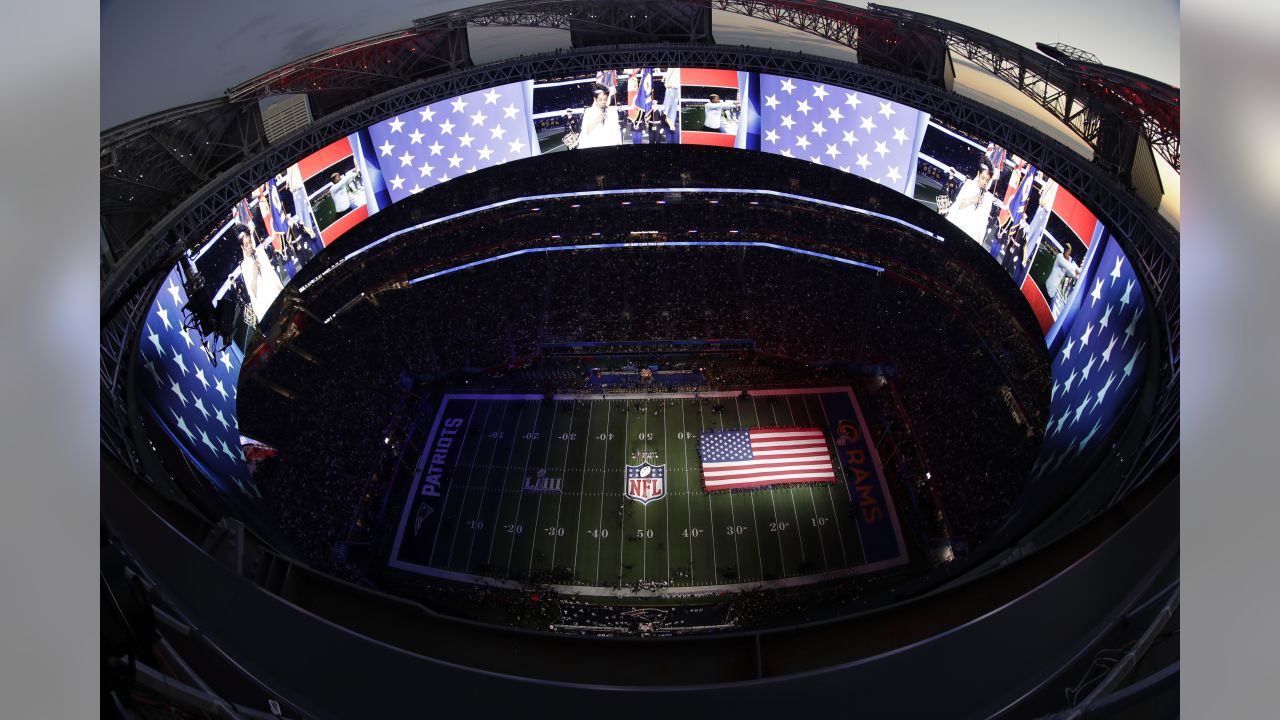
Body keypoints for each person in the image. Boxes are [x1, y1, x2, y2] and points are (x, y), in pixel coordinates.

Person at [942, 158, 995, 244]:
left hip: (971, 237)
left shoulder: (988, 198)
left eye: (987, 180)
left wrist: (979, 241)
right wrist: (972, 200)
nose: (984, 182)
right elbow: (959, 205)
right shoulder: (969, 184)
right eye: (983, 178)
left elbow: (983, 223)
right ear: (978, 174)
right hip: (957, 227)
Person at [239, 229, 285, 323]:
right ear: (242, 247)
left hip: (275, 294)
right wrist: (254, 273)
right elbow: (253, 292)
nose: (249, 246)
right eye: (246, 245)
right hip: (264, 304)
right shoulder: (244, 266)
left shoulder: (260, 252)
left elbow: (272, 273)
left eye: (250, 242)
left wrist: (281, 290)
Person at [578, 83, 638, 150]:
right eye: (600, 100)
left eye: (605, 99)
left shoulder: (612, 111)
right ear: (595, 99)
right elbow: (585, 131)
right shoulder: (589, 111)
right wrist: (597, 120)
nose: (603, 102)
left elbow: (616, 131)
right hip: (593, 146)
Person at [1044, 243, 1081, 315]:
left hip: (1053, 291)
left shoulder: (1065, 264)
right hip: (1048, 287)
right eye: (1068, 252)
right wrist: (1079, 270)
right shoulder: (1059, 257)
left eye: (1069, 253)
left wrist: (1078, 276)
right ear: (1065, 251)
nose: (1069, 255)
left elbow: (1071, 274)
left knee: (1050, 311)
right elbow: (1070, 267)